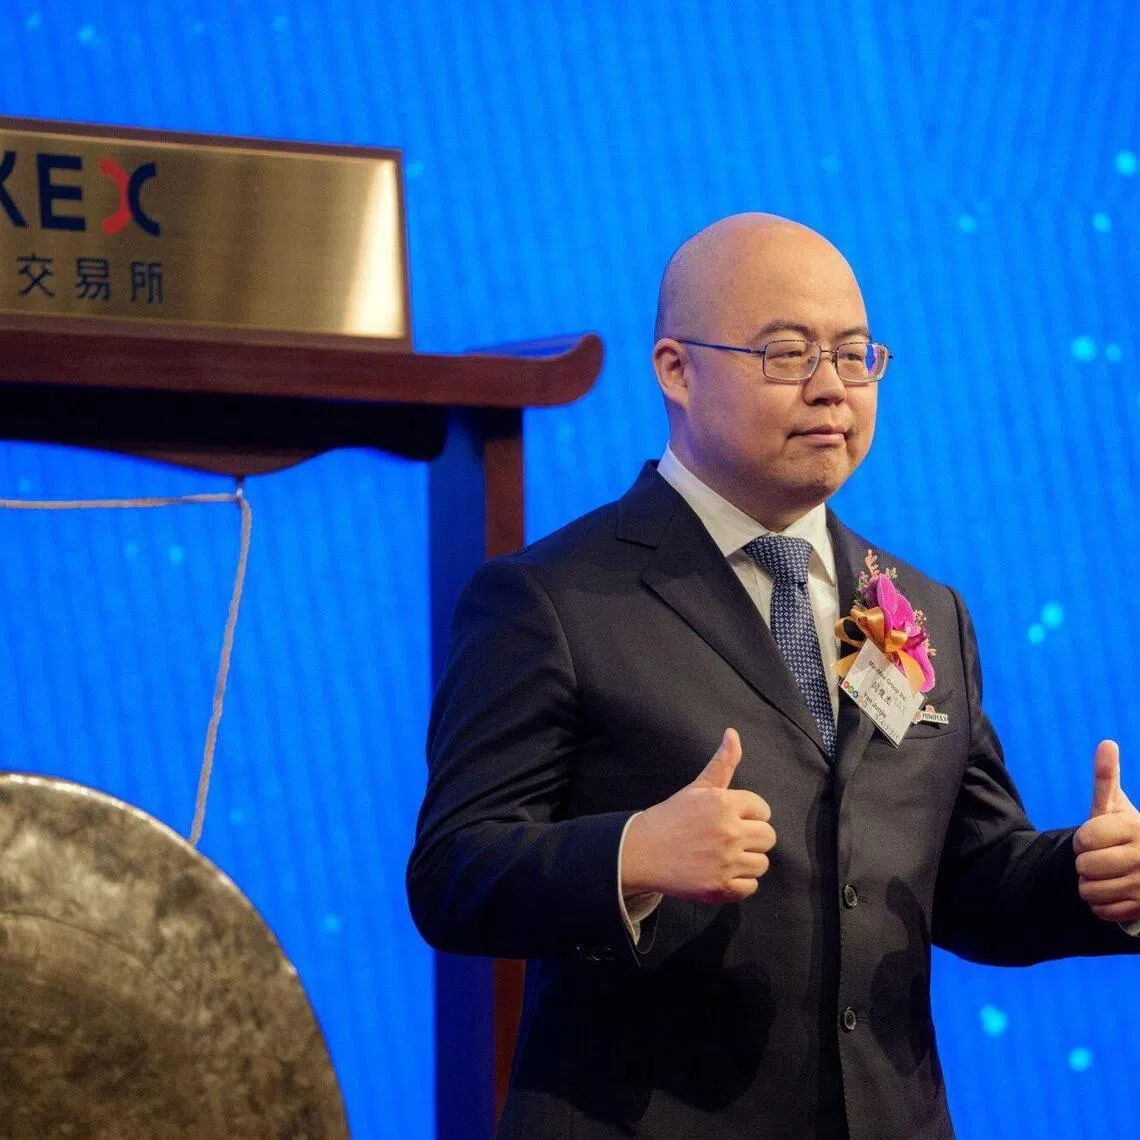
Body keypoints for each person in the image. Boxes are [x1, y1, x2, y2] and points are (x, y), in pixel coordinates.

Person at [406, 214, 1140, 1140]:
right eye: (788, 354)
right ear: (676, 370)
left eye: (854, 354)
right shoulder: (551, 598)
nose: (832, 387)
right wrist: (631, 854)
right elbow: (452, 872)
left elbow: (968, 879)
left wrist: (1088, 880)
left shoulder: (925, 609)